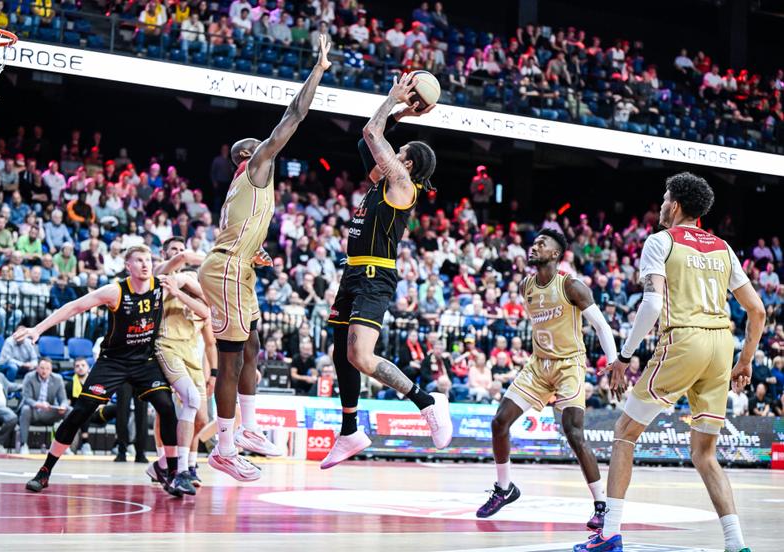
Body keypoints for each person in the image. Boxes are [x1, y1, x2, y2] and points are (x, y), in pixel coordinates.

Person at [575, 173, 764, 552]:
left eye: (663, 199)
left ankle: (609, 533)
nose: (660, 205)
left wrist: (624, 357)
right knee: (704, 453)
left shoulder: (661, 241)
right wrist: (744, 363)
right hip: (722, 345)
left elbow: (652, 304)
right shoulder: (723, 248)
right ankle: (736, 543)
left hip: (684, 338)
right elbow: (757, 311)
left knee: (624, 432)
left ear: (674, 205)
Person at [197, 36, 331, 482]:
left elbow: (240, 231)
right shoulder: (254, 166)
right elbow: (293, 116)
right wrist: (318, 70)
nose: (271, 150)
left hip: (238, 266)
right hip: (227, 270)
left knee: (251, 346)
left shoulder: (248, 187)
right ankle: (225, 447)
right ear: (247, 156)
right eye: (262, 146)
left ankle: (249, 430)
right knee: (232, 358)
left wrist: (256, 253)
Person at [322, 73, 451, 470]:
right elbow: (367, 141)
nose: (389, 151)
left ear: (406, 162)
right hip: (353, 273)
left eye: (399, 150)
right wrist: (404, 112)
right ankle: (349, 430)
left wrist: (393, 99)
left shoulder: (401, 185)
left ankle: (426, 402)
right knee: (340, 351)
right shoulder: (381, 181)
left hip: (376, 276)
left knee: (361, 355)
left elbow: (370, 130)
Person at [17, 245, 190, 497]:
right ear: (127, 266)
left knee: (166, 405)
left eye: (148, 260)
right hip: (113, 362)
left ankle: (173, 473)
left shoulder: (162, 285)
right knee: (80, 412)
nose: (145, 265)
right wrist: (38, 329)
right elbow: (75, 307)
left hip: (144, 362)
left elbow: (192, 278)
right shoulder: (115, 291)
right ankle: (45, 470)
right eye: (139, 261)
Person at [477, 229, 618, 530]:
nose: (534, 245)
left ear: (555, 254)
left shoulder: (571, 286)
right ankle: (505, 488)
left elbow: (602, 326)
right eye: (534, 242)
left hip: (569, 364)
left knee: (573, 432)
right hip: (539, 364)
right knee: (499, 422)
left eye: (542, 243)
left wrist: (614, 361)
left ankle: (601, 505)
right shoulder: (527, 285)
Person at [146, 237, 221, 489]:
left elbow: (210, 334)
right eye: (174, 251)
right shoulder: (159, 275)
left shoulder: (192, 289)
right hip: (163, 349)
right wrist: (223, 260)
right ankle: (170, 464)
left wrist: (213, 373)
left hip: (192, 357)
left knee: (201, 416)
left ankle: (182, 464)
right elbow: (181, 263)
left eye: (181, 249)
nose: (179, 254)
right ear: (164, 253)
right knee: (164, 410)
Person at [18, 358, 69, 455]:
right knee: (25, 409)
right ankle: (23, 445)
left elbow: (64, 399)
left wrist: (63, 406)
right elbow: (26, 398)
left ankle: (64, 446)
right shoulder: (29, 377)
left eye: (47, 368)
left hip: (50, 411)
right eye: (42, 368)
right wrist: (38, 405)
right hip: (34, 411)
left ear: (51, 370)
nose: (44, 371)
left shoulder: (58, 379)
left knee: (69, 411)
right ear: (37, 368)